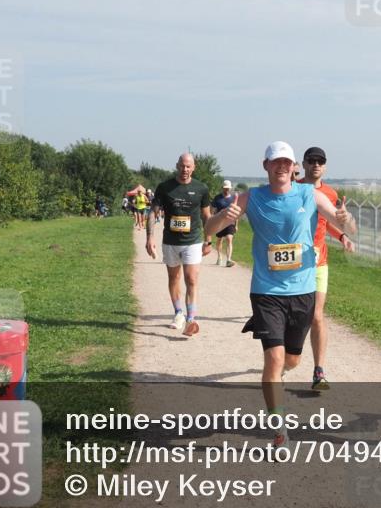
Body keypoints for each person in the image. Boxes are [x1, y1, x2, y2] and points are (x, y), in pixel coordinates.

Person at [205, 141, 356, 447]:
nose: (283, 167)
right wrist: (224, 217)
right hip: (266, 290)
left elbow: (346, 224)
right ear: (266, 166)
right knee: (273, 359)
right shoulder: (252, 197)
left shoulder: (308, 194)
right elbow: (209, 229)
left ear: (294, 168)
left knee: (292, 360)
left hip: (302, 290)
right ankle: (279, 429)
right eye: (277, 162)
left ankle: (280, 374)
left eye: (287, 163)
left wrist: (345, 219)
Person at [297, 146, 355, 391]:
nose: (316, 165)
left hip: (319, 261)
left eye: (320, 161)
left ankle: (319, 371)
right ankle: (286, 356)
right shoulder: (295, 188)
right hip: (294, 263)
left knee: (317, 315)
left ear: (325, 165)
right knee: (296, 317)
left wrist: (343, 236)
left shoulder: (331, 193)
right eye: (312, 160)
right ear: (304, 164)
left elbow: (329, 221)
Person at [146, 154, 213, 337]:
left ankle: (191, 319)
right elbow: (153, 213)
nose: (185, 170)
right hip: (170, 241)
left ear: (194, 168)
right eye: (182, 166)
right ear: (177, 166)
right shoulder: (164, 187)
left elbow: (207, 217)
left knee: (191, 279)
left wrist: (208, 240)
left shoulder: (201, 188)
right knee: (173, 278)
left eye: (188, 167)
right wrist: (150, 237)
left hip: (193, 240)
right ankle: (178, 313)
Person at [210, 180, 238, 267]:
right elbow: (212, 210)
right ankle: (219, 257)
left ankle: (228, 259)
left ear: (230, 188)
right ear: (222, 188)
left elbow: (236, 211)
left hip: (230, 222)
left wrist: (236, 225)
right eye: (225, 188)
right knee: (219, 240)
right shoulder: (217, 198)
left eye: (228, 188)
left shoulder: (233, 198)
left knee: (229, 239)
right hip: (219, 222)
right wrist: (212, 220)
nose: (227, 190)